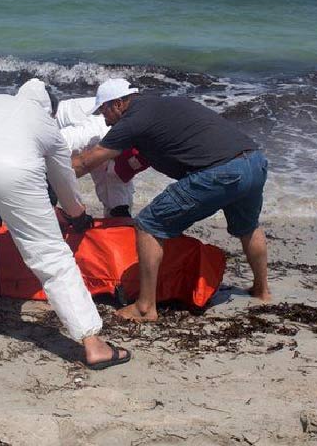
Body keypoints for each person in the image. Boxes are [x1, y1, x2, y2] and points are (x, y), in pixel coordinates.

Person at [0, 78, 131, 369]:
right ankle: (93, 344)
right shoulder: (44, 121)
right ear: (48, 109)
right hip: (13, 172)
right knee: (50, 255)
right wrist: (76, 212)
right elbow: (62, 176)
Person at [72, 78, 271, 322]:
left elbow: (85, 163)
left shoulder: (132, 119)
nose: (103, 117)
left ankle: (145, 307)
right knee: (248, 227)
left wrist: (46, 176)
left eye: (104, 109)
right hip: (254, 161)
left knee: (148, 224)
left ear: (118, 103)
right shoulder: (163, 104)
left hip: (221, 172)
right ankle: (262, 290)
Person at [56, 97, 134, 217]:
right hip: (57, 125)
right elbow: (50, 152)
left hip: (99, 121)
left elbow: (117, 175)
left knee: (119, 204)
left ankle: (118, 216)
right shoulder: (93, 132)